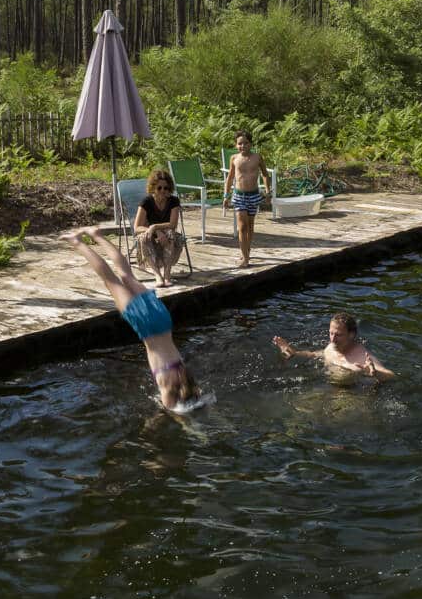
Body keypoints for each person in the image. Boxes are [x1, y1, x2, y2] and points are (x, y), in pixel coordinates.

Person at [61, 226, 204, 411]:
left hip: (163, 319)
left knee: (126, 275)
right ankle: (76, 242)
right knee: (110, 280)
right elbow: (173, 412)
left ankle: (97, 235)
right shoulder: (170, 388)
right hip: (147, 326)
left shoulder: (190, 379)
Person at [272, 312, 396, 382]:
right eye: (331, 333)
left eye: (338, 335)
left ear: (351, 335)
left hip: (351, 395)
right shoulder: (333, 346)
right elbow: (316, 354)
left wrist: (373, 372)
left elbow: (391, 375)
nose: (332, 338)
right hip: (328, 386)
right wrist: (294, 353)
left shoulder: (361, 355)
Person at [222, 130, 269, 268]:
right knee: (242, 227)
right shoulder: (234, 158)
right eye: (239, 143)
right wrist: (226, 195)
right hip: (239, 195)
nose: (242, 146)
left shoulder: (257, 157)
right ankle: (245, 258)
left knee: (250, 226)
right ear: (236, 145)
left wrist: (267, 191)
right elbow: (230, 178)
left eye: (245, 143)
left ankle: (246, 251)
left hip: (253, 195)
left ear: (251, 143)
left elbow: (265, 175)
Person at [135, 168, 183, 287]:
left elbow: (173, 224)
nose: (162, 190)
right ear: (153, 187)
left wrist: (155, 226)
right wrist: (155, 232)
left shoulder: (173, 201)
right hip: (152, 238)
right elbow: (137, 227)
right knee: (143, 237)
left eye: (165, 188)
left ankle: (167, 274)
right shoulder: (146, 202)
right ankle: (157, 275)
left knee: (171, 233)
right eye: (159, 188)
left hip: (168, 239)